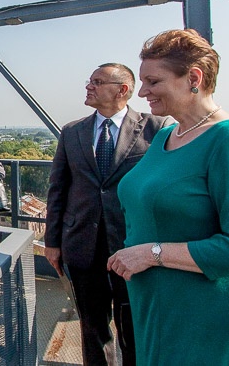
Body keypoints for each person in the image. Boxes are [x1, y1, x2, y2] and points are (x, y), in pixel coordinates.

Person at [107, 29, 229, 365]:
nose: (142, 92)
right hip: (160, 310)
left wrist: (152, 253)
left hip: (207, 319)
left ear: (194, 78)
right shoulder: (167, 136)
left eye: (153, 81)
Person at [44, 63, 172, 366]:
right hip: (82, 247)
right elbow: (58, 189)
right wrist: (53, 242)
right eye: (90, 81)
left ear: (122, 90)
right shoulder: (72, 131)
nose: (89, 86)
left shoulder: (157, 128)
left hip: (133, 245)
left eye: (98, 82)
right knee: (92, 329)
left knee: (135, 329)